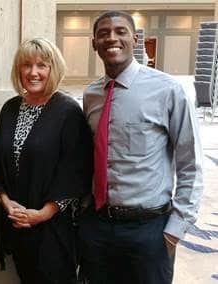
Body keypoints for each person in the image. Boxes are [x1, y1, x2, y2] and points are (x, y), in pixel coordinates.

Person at [79, 10, 203, 284]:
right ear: (94, 43)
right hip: (98, 226)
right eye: (103, 33)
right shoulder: (91, 95)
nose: (112, 38)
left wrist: (175, 231)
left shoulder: (167, 90)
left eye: (120, 31)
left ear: (134, 39)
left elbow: (191, 164)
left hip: (148, 229)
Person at [0, 38, 93, 284]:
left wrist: (41, 214)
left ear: (53, 69)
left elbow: (76, 171)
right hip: (16, 224)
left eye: (41, 65)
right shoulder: (11, 108)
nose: (33, 72)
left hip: (53, 230)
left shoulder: (67, 111)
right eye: (26, 65)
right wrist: (6, 202)